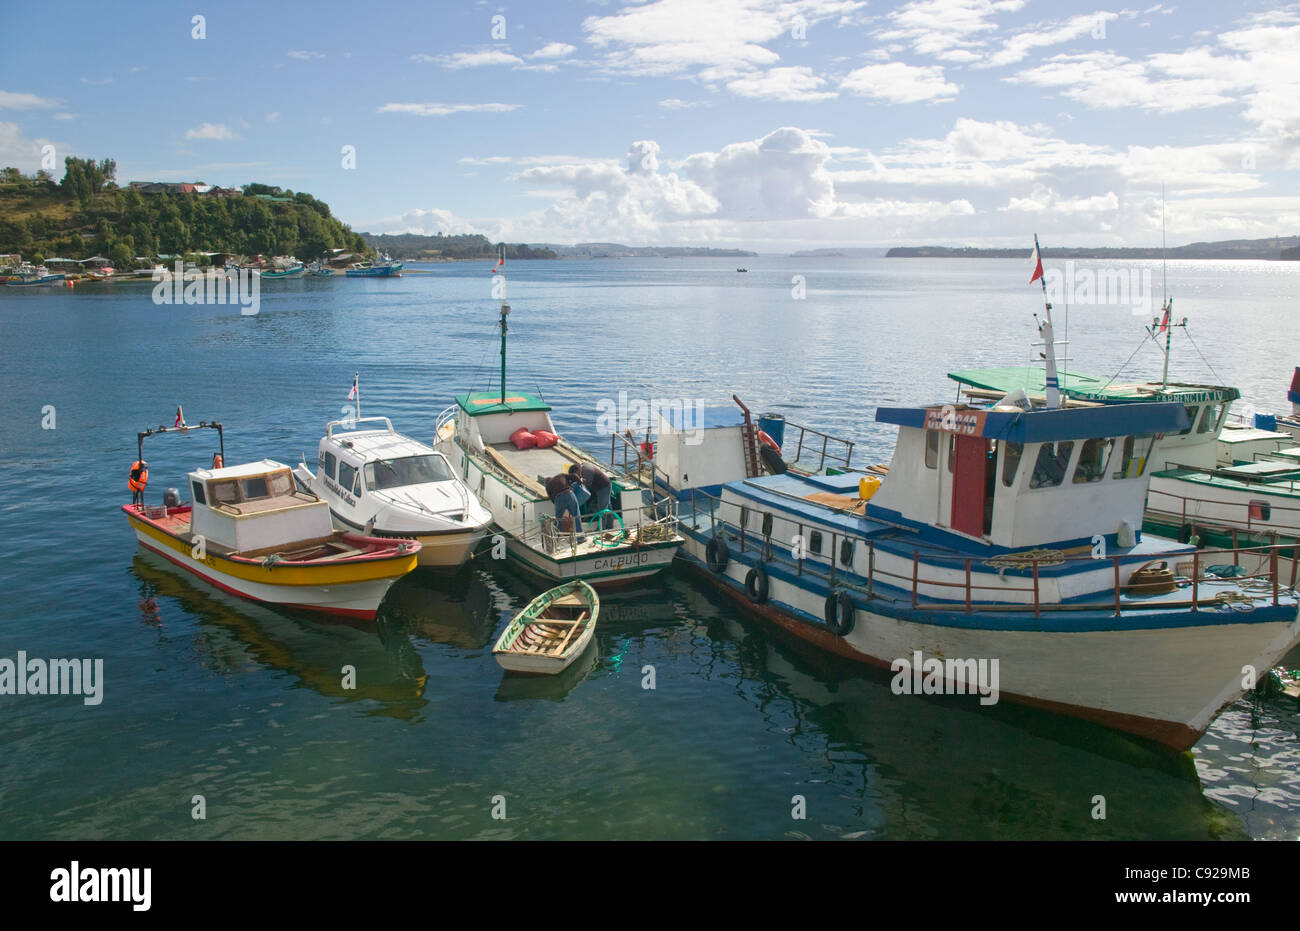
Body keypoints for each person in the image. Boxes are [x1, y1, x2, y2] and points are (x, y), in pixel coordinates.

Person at [569, 463, 612, 529]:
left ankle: (601, 528)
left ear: (577, 470)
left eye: (576, 474)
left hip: (603, 487)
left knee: (602, 508)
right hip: (600, 487)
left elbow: (586, 484)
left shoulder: (587, 471)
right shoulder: (582, 468)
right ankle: (609, 526)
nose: (577, 476)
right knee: (608, 507)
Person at [545, 472, 584, 541]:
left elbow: (552, 499)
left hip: (559, 498)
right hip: (569, 493)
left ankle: (557, 538)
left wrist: (559, 506)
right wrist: (580, 482)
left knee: (558, 519)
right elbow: (574, 476)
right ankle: (580, 538)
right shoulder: (561, 475)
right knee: (576, 516)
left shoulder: (548, 486)